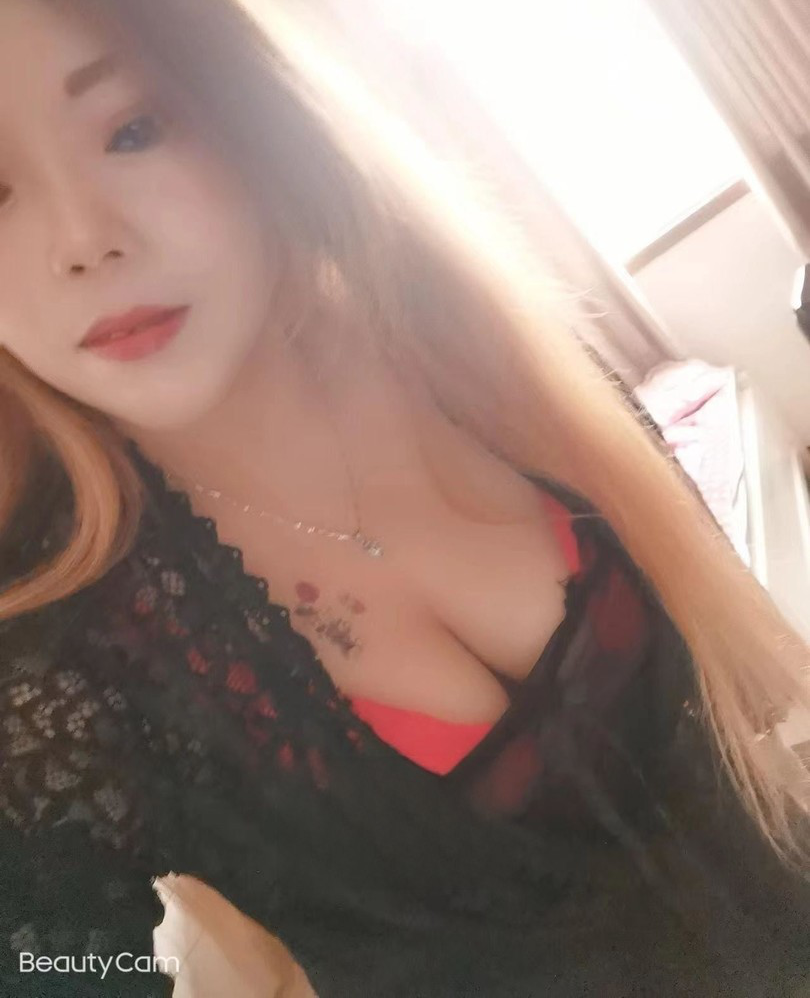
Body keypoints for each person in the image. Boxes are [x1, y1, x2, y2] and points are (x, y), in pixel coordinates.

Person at [0, 1, 809, 995]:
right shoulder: (55, 659)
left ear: (252, 115)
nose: (83, 241)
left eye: (133, 128)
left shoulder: (474, 359)